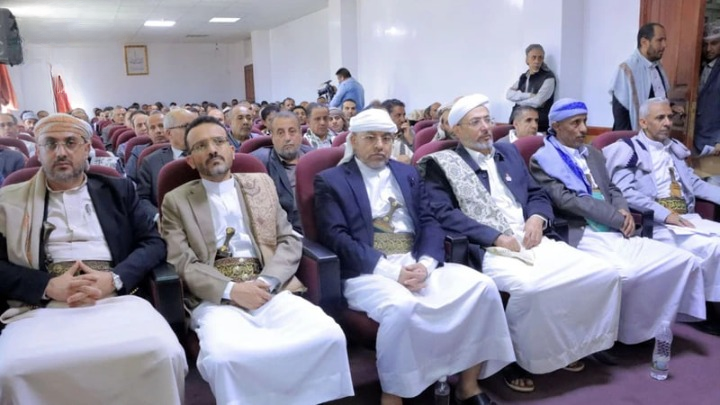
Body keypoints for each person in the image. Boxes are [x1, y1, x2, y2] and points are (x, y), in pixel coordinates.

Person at [420, 94, 623, 391]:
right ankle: (513, 359)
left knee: (602, 273)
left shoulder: (508, 152)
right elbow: (443, 214)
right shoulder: (441, 164)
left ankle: (567, 346)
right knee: (530, 288)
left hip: (532, 237)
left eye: (488, 120)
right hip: (490, 247)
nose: (486, 127)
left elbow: (537, 193)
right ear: (456, 130)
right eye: (475, 122)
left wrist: (537, 218)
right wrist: (494, 236)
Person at [315, 108, 515, 405]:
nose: (380, 145)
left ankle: (468, 385)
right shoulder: (331, 181)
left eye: (386, 138)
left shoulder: (407, 173)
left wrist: (425, 264)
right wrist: (391, 272)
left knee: (482, 287)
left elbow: (430, 221)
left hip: (416, 261)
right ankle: (393, 395)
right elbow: (337, 237)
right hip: (368, 271)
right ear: (353, 141)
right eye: (370, 138)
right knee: (401, 307)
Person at [161, 116, 353, 405]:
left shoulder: (260, 184)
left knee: (328, 335)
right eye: (201, 146)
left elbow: (288, 240)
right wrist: (232, 290)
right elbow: (182, 262)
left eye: (218, 141)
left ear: (231, 150)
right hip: (215, 297)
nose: (212, 149)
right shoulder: (176, 201)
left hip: (270, 287)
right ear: (190, 160)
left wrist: (266, 281)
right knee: (226, 356)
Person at [0, 114, 187, 404]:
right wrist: (47, 286)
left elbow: (153, 243)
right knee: (11, 368)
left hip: (114, 298)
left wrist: (114, 279)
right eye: (51, 144)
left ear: (87, 148)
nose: (61, 152)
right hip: (41, 306)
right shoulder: (8, 201)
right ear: (38, 150)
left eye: (70, 142)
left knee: (163, 352)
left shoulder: (118, 190)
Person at [530, 98, 705, 345]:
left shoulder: (592, 153)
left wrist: (622, 208)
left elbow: (612, 187)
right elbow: (568, 201)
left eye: (585, 122)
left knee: (682, 260)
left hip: (616, 226)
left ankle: (651, 327)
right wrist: (616, 217)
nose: (583, 129)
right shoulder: (542, 159)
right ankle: (613, 337)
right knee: (627, 273)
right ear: (556, 126)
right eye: (575, 123)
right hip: (584, 230)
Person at [604, 97, 720, 335]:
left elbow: (694, 183)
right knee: (714, 247)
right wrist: (666, 215)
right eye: (660, 118)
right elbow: (626, 192)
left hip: (688, 219)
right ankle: (710, 310)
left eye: (669, 117)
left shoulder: (673, 149)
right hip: (657, 224)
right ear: (643, 122)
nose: (668, 122)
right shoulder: (627, 150)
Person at [252, 111, 313, 234]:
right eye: (280, 133)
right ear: (272, 137)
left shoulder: (314, 158)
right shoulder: (260, 163)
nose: (287, 138)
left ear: (300, 134)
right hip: (286, 233)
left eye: (292, 131)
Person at [136, 109, 196, 220]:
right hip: (166, 221)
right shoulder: (151, 162)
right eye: (187, 126)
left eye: (195, 125)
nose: (194, 131)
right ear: (169, 133)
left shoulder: (207, 156)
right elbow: (142, 199)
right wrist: (159, 217)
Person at [610, 23, 670, 130]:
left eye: (665, 40)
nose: (665, 45)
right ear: (644, 42)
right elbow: (621, 112)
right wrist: (628, 139)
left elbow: (656, 98)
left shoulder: (658, 67)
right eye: (660, 40)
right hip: (633, 134)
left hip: (656, 134)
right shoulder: (627, 69)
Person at [506, 44, 556, 133]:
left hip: (538, 125)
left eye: (540, 57)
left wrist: (518, 102)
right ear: (527, 59)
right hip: (518, 121)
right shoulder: (524, 77)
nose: (537, 61)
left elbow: (537, 102)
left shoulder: (548, 78)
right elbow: (509, 94)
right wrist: (529, 95)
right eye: (534, 57)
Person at [695, 20, 720, 155]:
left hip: (714, 141)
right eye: (705, 44)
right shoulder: (697, 65)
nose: (708, 49)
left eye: (714, 43)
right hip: (695, 137)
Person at [126, 111, 165, 181]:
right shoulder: (138, 151)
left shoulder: (181, 147)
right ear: (148, 133)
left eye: (161, 126)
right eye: (152, 128)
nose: (158, 131)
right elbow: (130, 180)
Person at [382, 98, 414, 164]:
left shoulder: (409, 132)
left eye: (404, 115)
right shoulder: (377, 136)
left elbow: (418, 161)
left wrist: (411, 141)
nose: (403, 119)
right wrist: (396, 160)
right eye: (398, 115)